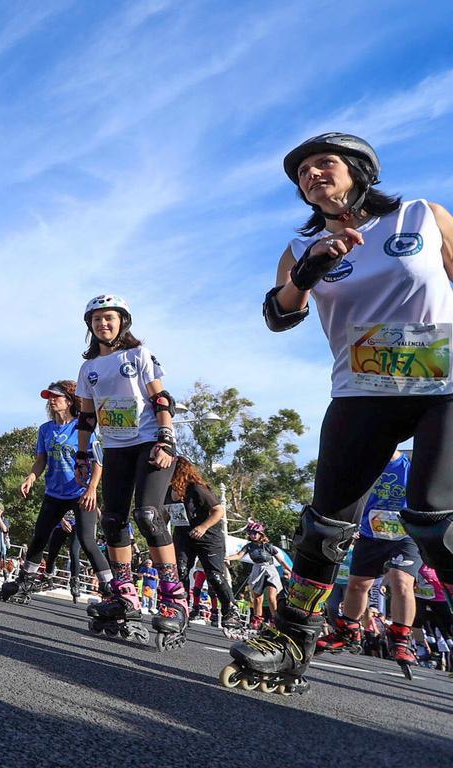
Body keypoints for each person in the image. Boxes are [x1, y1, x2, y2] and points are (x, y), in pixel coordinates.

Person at [225, 132, 453, 694]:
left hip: (439, 383)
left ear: (357, 169)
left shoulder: (422, 217)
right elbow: (280, 317)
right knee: (326, 524)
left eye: (323, 164)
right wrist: (306, 275)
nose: (311, 175)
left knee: (430, 520)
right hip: (361, 389)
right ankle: (290, 639)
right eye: (301, 173)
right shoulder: (299, 248)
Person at [75, 295, 187, 648]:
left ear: (123, 321)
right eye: (96, 320)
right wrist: (81, 455)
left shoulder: (138, 355)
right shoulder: (88, 368)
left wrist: (167, 438)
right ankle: (124, 592)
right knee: (111, 521)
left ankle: (173, 596)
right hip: (116, 446)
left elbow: (161, 398)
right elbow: (87, 417)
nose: (102, 324)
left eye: (109, 318)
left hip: (150, 441)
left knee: (149, 514)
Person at [1, 380, 111, 603]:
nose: (51, 401)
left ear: (69, 401)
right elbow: (41, 460)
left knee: (87, 542)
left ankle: (111, 589)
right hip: (54, 492)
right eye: (49, 397)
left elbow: (98, 461)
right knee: (39, 537)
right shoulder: (45, 430)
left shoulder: (83, 427)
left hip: (81, 493)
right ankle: (26, 580)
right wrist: (31, 477)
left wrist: (92, 489)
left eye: (56, 397)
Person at [317, 451, 421, 671]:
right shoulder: (364, 463)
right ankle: (348, 632)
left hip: (405, 534)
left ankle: (401, 639)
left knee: (401, 581)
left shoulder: (411, 463)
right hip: (371, 533)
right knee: (357, 585)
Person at [168, 457, 241, 634]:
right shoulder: (168, 490)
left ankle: (230, 610)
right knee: (181, 571)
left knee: (214, 575)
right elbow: (167, 513)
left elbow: (218, 510)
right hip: (183, 534)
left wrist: (203, 526)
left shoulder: (196, 488)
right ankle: (180, 608)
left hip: (208, 537)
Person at [227, 521, 291, 631]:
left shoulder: (269, 547)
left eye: (255, 533)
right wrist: (227, 557)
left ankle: (275, 619)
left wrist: (290, 571)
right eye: (251, 533)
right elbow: (238, 555)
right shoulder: (249, 546)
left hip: (270, 570)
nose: (252, 535)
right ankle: (257, 619)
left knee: (271, 596)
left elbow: (281, 561)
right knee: (258, 597)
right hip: (257, 569)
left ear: (261, 534)